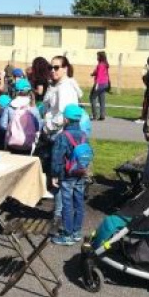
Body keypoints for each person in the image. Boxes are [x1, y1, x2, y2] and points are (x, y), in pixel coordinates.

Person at [51, 104, 90, 246]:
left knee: (67, 204)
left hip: (67, 174)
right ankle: (76, 232)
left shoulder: (63, 136)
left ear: (66, 119)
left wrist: (55, 175)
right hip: (80, 172)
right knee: (79, 202)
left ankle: (67, 235)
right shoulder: (84, 135)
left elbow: (57, 157)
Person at [42, 56, 82, 136]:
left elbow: (62, 115)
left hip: (58, 134)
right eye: (50, 68)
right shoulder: (56, 85)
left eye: (56, 68)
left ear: (65, 69)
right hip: (53, 131)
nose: (52, 70)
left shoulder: (65, 87)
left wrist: (48, 128)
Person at [1, 78, 41, 154]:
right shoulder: (33, 108)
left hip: (11, 143)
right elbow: (39, 126)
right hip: (27, 144)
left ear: (15, 91)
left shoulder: (10, 106)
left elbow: (2, 125)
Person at [90, 51, 110, 121]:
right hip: (105, 84)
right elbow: (98, 72)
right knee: (102, 99)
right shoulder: (105, 64)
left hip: (100, 84)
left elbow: (99, 75)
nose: (97, 57)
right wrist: (93, 74)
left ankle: (95, 115)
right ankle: (102, 115)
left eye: (98, 56)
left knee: (92, 98)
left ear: (100, 57)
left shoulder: (100, 65)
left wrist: (96, 84)